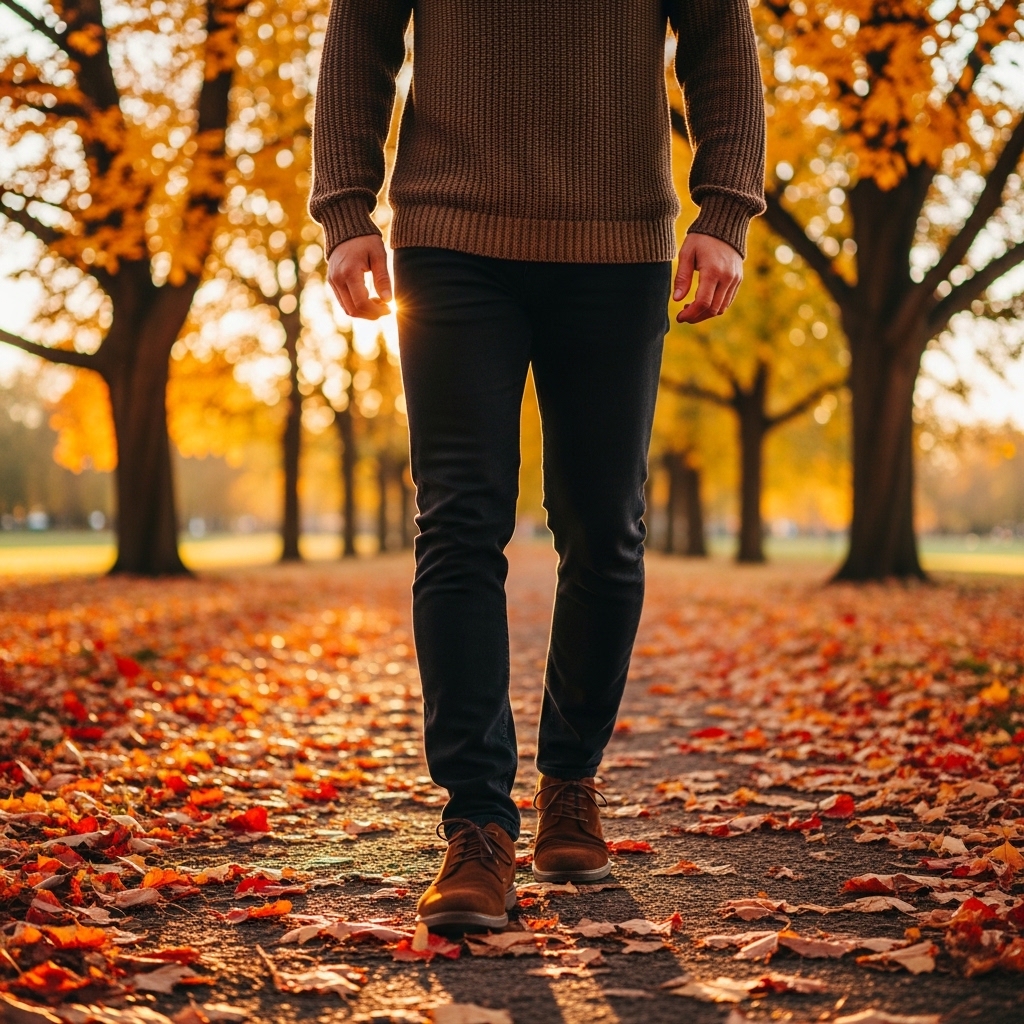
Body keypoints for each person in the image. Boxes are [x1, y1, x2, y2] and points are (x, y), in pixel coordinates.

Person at [311, 0, 765, 931]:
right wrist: (344, 203)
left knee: (605, 525)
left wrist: (726, 206)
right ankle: (477, 824)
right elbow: (360, 29)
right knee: (460, 519)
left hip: (617, 236)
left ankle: (570, 783)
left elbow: (722, 36)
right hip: (448, 231)